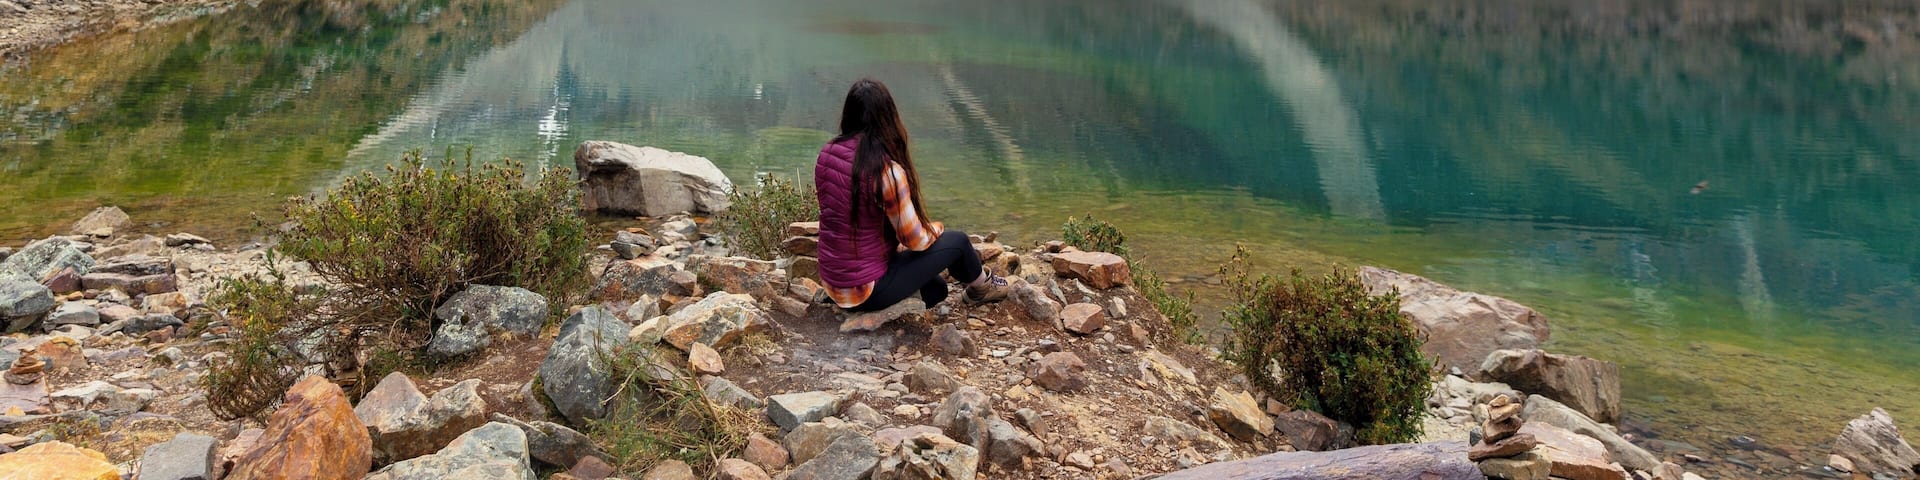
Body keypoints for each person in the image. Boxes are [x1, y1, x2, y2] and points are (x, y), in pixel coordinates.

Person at [814, 78, 1010, 312]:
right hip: (865, 289)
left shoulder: (827, 153)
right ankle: (983, 287)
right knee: (958, 242)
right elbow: (915, 241)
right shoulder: (885, 171)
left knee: (936, 289)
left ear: (848, 113)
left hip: (833, 281)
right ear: (888, 117)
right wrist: (935, 229)